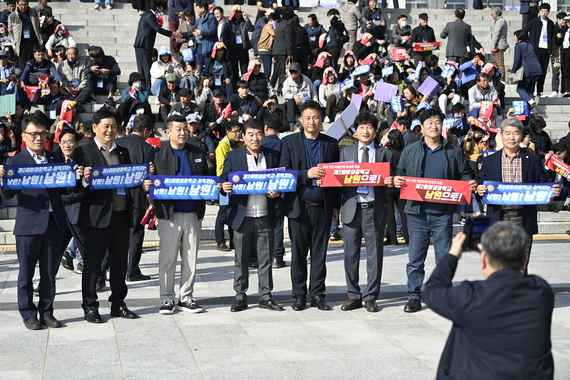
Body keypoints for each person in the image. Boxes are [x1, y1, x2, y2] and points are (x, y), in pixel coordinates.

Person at [423, 222, 554, 380]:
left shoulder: (471, 297)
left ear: (484, 260)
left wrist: (452, 255)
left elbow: (432, 291)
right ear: (524, 260)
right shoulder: (541, 291)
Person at [394, 108, 475, 313]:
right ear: (422, 126)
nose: (433, 125)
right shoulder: (410, 149)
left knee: (443, 258)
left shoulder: (453, 151)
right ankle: (414, 295)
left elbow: (464, 173)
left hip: (442, 213)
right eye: (429, 122)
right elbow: (400, 172)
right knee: (415, 258)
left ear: (442, 124)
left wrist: (468, 183)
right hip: (416, 213)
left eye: (437, 121)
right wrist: (397, 179)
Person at [73, 108, 148, 324]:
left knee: (119, 263)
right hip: (96, 217)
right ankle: (90, 306)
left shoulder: (122, 151)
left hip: (122, 215)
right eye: (106, 126)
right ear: (95, 128)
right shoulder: (84, 152)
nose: (110, 130)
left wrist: (143, 178)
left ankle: (118, 303)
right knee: (92, 265)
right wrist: (85, 180)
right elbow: (76, 185)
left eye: (114, 126)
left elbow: (130, 178)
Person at [0, 116, 69, 330]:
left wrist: (76, 176)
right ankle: (28, 313)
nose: (38, 138)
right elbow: (8, 194)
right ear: (24, 136)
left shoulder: (56, 158)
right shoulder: (14, 161)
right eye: (33, 134)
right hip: (28, 224)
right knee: (26, 273)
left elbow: (66, 190)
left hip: (53, 222)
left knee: (49, 272)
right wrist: (2, 179)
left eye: (42, 133)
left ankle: (47, 312)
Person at [477, 118, 561, 275]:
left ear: (521, 135)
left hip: (523, 218)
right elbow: (481, 182)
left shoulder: (533, 160)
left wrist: (554, 190)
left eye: (516, 133)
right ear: (501, 135)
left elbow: (544, 183)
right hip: (499, 217)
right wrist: (480, 188)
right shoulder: (490, 161)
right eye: (507, 133)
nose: (511, 137)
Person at [280, 100, 340, 311]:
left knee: (319, 253)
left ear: (321, 119)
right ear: (301, 119)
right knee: (298, 253)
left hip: (323, 206)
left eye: (315, 117)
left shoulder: (331, 143)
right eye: (308, 118)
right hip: (299, 206)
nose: (312, 121)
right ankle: (298, 294)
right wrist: (307, 174)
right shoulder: (289, 142)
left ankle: (317, 294)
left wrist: (336, 207)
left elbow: (336, 180)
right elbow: (285, 173)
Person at [220, 119, 283, 312]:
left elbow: (282, 180)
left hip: (266, 214)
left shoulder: (273, 155)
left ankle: (266, 296)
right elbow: (223, 180)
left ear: (264, 135)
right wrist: (224, 186)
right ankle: (240, 296)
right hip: (242, 216)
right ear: (243, 137)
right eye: (250, 134)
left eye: (258, 134)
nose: (255, 138)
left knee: (266, 258)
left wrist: (278, 191)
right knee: (241, 258)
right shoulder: (233, 156)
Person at [150, 115, 208, 315]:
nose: (182, 132)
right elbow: (151, 181)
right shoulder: (157, 154)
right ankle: (167, 298)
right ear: (168, 132)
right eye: (178, 129)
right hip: (168, 214)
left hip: (193, 213)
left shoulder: (196, 152)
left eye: (185, 128)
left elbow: (207, 180)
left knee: (190, 257)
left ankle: (187, 297)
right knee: (168, 258)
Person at [338, 113, 393, 313]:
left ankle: (370, 297)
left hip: (374, 209)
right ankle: (353, 295)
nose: (366, 131)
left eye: (369, 127)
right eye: (361, 127)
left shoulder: (385, 154)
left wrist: (391, 183)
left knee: (375, 255)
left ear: (375, 131)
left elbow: (394, 184)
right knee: (350, 255)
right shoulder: (345, 152)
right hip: (352, 209)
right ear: (355, 131)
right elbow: (338, 182)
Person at [114, 115, 155, 282]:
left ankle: (113, 268)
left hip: (117, 195)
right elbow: (150, 176)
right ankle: (132, 270)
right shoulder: (147, 148)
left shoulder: (119, 143)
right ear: (145, 130)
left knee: (116, 234)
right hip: (137, 197)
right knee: (136, 234)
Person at [134, 0, 177, 89]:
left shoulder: (148, 14)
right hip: (143, 44)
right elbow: (158, 29)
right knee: (145, 67)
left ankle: (145, 86)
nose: (161, 9)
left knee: (143, 66)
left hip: (142, 44)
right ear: (157, 7)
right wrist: (172, 34)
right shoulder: (150, 15)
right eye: (160, 7)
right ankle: (147, 87)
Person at [214, 122, 243, 251]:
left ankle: (233, 242)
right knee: (223, 213)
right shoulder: (222, 147)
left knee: (234, 213)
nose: (238, 134)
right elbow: (221, 167)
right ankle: (220, 241)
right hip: (224, 185)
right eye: (235, 131)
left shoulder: (240, 144)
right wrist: (223, 183)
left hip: (237, 185)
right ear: (228, 133)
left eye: (239, 131)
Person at [522, 3, 554, 97]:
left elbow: (552, 36)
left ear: (548, 12)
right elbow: (524, 30)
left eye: (546, 11)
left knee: (542, 71)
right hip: (536, 50)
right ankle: (530, 90)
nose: (544, 13)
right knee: (535, 70)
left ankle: (540, 91)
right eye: (542, 11)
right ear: (539, 11)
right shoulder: (534, 21)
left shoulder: (551, 23)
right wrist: (529, 42)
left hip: (546, 50)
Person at [511, 29, 542, 108]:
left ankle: (530, 101)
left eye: (515, 36)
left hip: (528, 70)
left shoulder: (518, 46)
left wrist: (514, 70)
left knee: (520, 89)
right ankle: (531, 108)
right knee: (529, 90)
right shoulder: (529, 45)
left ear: (519, 38)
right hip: (537, 69)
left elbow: (517, 60)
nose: (514, 38)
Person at [8, 0, 41, 70]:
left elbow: (37, 25)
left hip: (33, 40)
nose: (23, 7)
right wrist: (16, 40)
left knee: (36, 62)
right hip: (22, 43)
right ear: (17, 4)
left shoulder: (33, 12)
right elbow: (10, 31)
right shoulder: (12, 15)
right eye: (21, 5)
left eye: (25, 4)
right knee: (23, 65)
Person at [282, 62, 318, 128]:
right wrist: (294, 96)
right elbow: (285, 94)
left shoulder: (307, 80)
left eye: (295, 71)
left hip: (306, 103)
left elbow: (313, 93)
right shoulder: (287, 81)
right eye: (291, 71)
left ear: (299, 71)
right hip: (294, 105)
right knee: (290, 101)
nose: (293, 73)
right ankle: (291, 124)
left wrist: (315, 102)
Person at [227, 5, 254, 81]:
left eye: (239, 12)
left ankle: (245, 82)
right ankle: (236, 84)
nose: (238, 14)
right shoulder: (229, 22)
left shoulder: (243, 21)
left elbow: (251, 29)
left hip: (242, 47)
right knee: (234, 67)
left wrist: (247, 19)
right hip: (232, 47)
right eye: (236, 12)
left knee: (244, 66)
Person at [272, 6, 295, 93]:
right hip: (283, 51)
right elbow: (288, 40)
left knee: (280, 71)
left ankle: (280, 88)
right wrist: (290, 53)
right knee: (283, 72)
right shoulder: (287, 25)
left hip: (277, 50)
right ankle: (282, 89)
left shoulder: (280, 24)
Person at [192, 0, 217, 72]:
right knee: (199, 68)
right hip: (199, 47)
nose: (196, 10)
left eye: (197, 8)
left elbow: (213, 31)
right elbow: (193, 31)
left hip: (208, 47)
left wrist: (201, 32)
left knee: (208, 68)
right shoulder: (198, 20)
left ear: (202, 8)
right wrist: (182, 34)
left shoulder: (211, 18)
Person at [490, 8, 509, 83]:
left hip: (498, 45)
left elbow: (496, 33)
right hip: (497, 44)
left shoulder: (500, 21)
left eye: (492, 14)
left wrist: (493, 44)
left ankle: (502, 78)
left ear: (496, 14)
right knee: (495, 63)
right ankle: (496, 78)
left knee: (499, 63)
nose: (491, 15)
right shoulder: (500, 21)